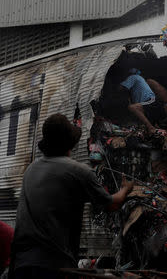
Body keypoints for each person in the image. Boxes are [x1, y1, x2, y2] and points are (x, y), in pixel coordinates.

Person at [10, 114, 134, 279]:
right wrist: (126, 189)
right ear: (71, 144)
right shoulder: (78, 171)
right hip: (53, 266)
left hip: (21, 264)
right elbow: (111, 205)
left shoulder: (31, 169)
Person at [120, 69, 165, 134]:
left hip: (150, 101)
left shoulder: (133, 77)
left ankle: (151, 127)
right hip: (146, 103)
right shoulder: (138, 80)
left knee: (132, 107)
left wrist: (115, 84)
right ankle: (153, 128)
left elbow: (120, 87)